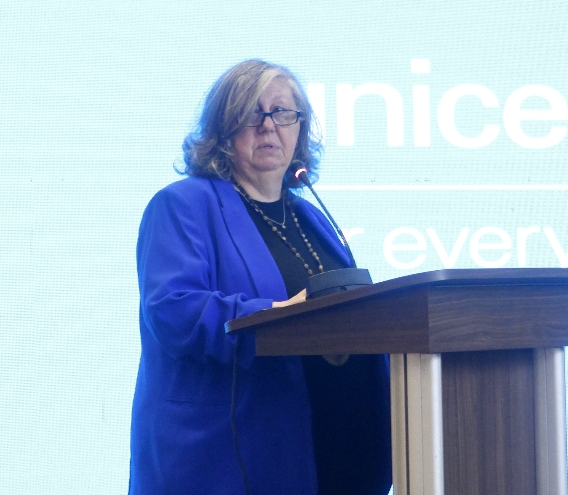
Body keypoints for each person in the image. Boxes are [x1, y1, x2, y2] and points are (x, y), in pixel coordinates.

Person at [129, 60, 392, 495]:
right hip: (228, 455)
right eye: (253, 112)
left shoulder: (310, 215)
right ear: (223, 129)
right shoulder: (183, 205)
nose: (269, 125)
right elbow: (174, 311)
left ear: (299, 128)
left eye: (282, 112)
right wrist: (277, 314)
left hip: (336, 450)